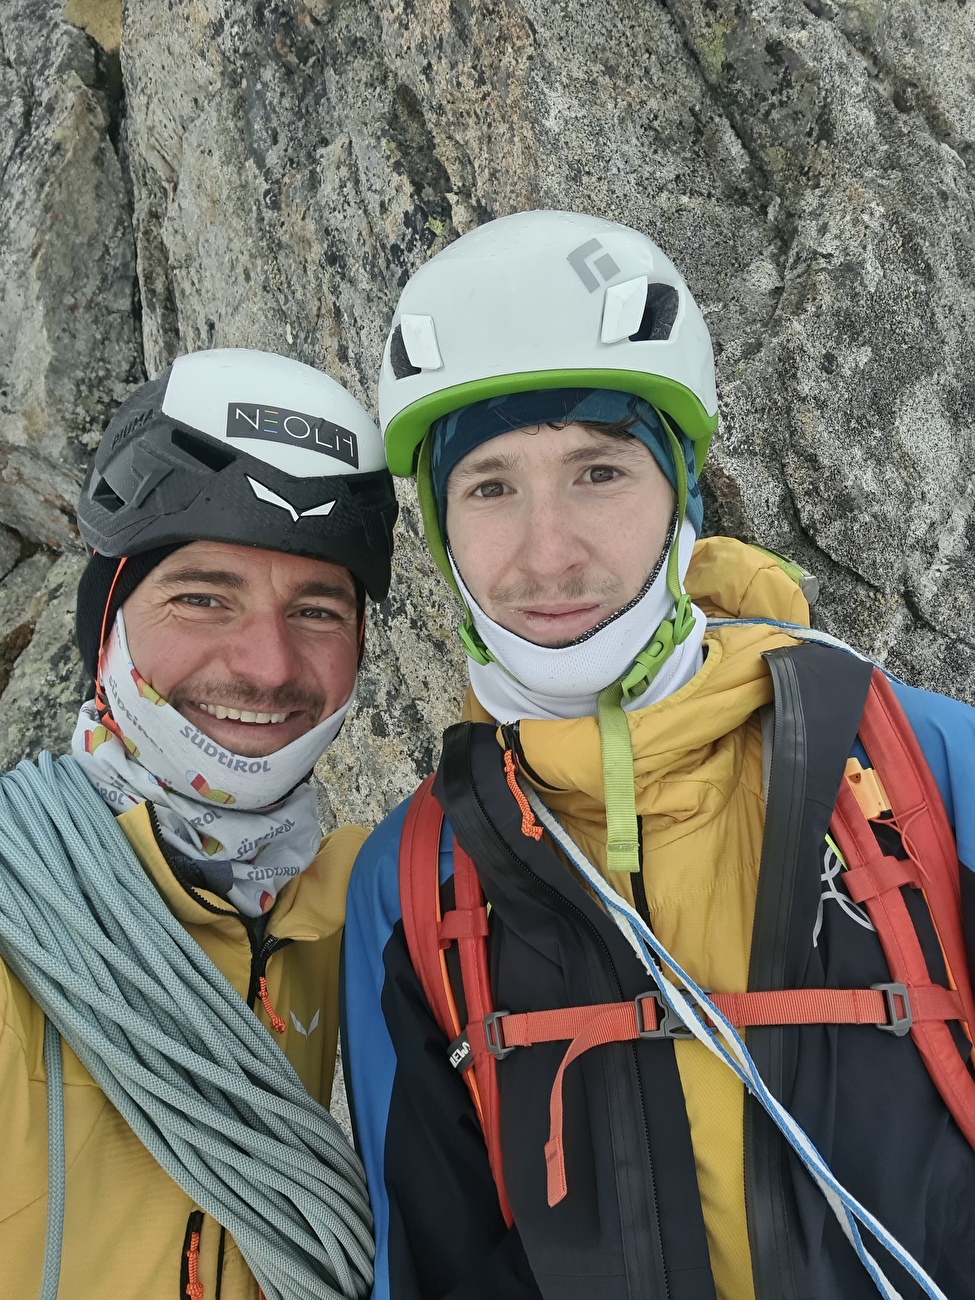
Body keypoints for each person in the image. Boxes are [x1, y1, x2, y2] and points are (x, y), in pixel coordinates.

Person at [341, 211, 975, 1300]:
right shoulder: (415, 884)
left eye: (599, 472)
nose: (548, 551)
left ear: (680, 485)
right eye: (491, 484)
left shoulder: (927, 769)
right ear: (442, 526)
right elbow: (434, 1263)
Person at [1, 348, 398, 1299]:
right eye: (202, 596)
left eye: (317, 608)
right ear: (106, 624)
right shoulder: (21, 907)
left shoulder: (358, 907)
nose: (266, 664)